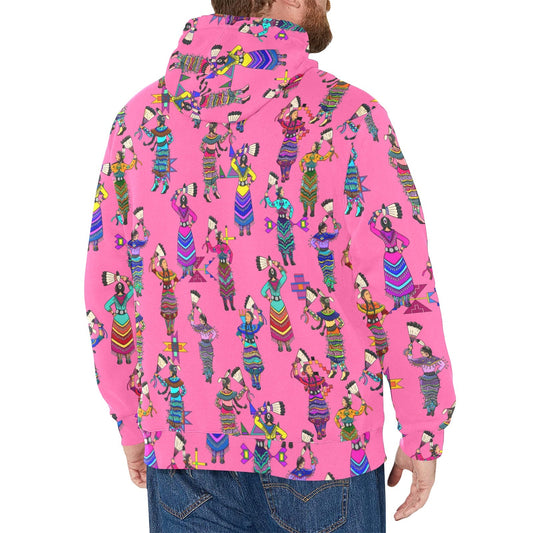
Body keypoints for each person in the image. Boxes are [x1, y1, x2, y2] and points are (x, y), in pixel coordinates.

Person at [84, 1, 456, 531]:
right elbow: (400, 285)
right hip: (326, 454)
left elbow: (109, 284)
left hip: (185, 450)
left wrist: (129, 418)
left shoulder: (139, 119)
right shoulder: (348, 116)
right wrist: (423, 427)